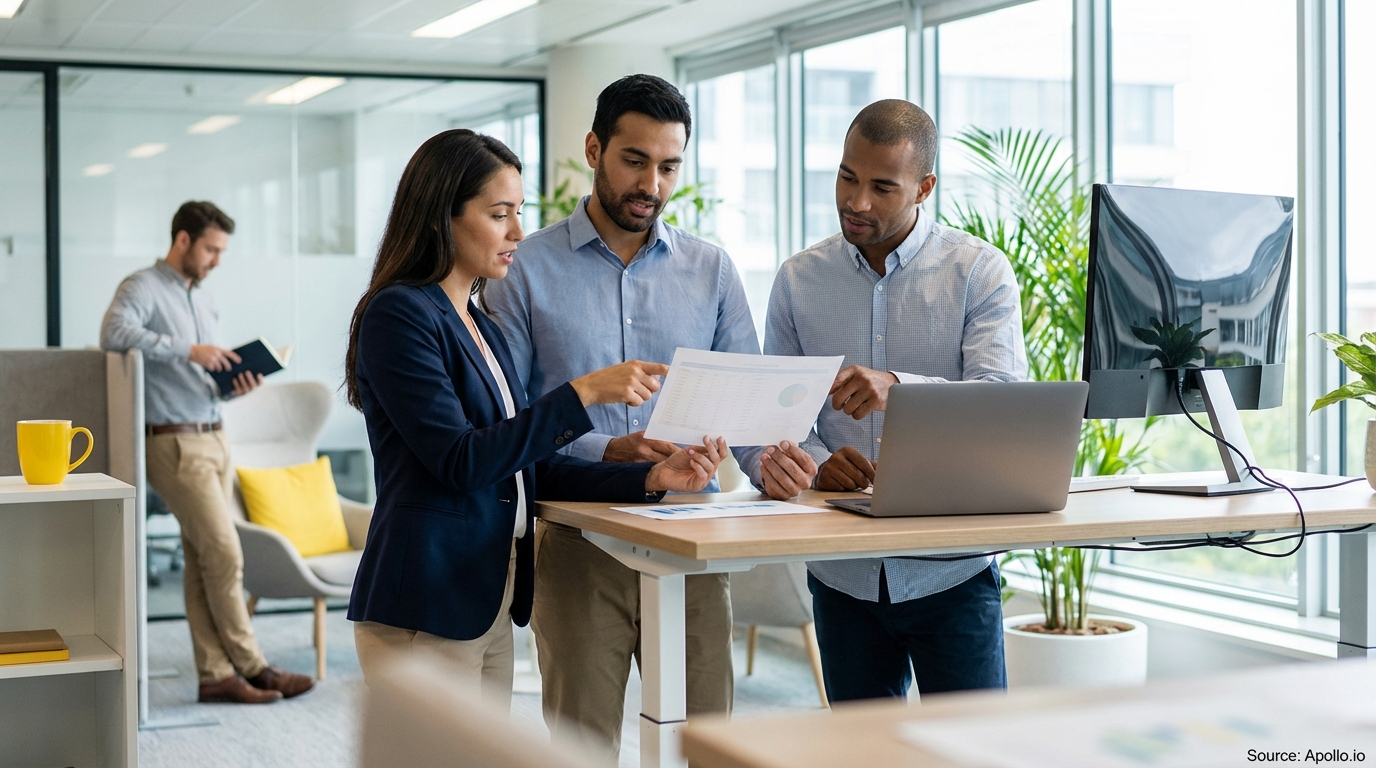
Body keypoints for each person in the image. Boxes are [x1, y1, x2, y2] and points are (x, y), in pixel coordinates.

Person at [485, 74, 818, 758]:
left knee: (709, 744)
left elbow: (749, 412)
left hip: (691, 537)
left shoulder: (713, 270)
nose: (653, 184)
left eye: (668, 166)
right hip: (579, 542)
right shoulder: (525, 269)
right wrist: (606, 453)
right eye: (635, 160)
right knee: (582, 746)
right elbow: (511, 425)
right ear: (593, 149)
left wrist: (773, 464)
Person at [343, 129, 727, 712]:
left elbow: (523, 466)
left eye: (518, 213)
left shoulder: (480, 324)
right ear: (441, 215)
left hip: (488, 593)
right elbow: (461, 460)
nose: (518, 233)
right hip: (428, 595)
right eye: (500, 215)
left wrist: (650, 478)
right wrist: (581, 394)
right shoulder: (400, 313)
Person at [763, 100, 1027, 702]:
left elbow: (1005, 405)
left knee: (971, 752)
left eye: (883, 186)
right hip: (842, 573)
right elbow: (782, 413)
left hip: (952, 568)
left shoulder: (978, 272)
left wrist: (900, 389)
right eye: (847, 177)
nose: (857, 201)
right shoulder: (798, 279)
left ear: (924, 187)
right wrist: (815, 459)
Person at [101, 201, 315, 704]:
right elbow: (113, 334)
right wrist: (188, 349)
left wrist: (233, 384)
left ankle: (215, 676)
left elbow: (205, 381)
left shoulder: (206, 302)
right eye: (212, 249)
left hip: (215, 432)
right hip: (173, 442)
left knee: (202, 559)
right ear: (183, 241)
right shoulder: (142, 288)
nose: (217, 260)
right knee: (224, 553)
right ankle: (254, 665)